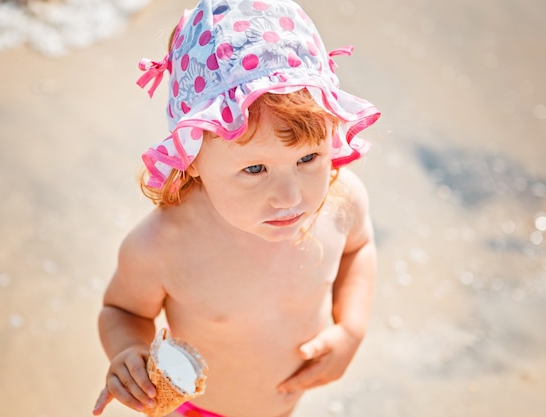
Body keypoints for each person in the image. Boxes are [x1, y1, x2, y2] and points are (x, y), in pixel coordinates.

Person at [92, 0, 380, 416]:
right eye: (255, 168)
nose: (290, 197)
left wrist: (351, 329)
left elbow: (359, 248)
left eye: (308, 159)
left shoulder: (341, 201)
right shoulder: (165, 244)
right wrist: (130, 352)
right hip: (199, 408)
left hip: (282, 404)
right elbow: (120, 310)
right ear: (191, 157)